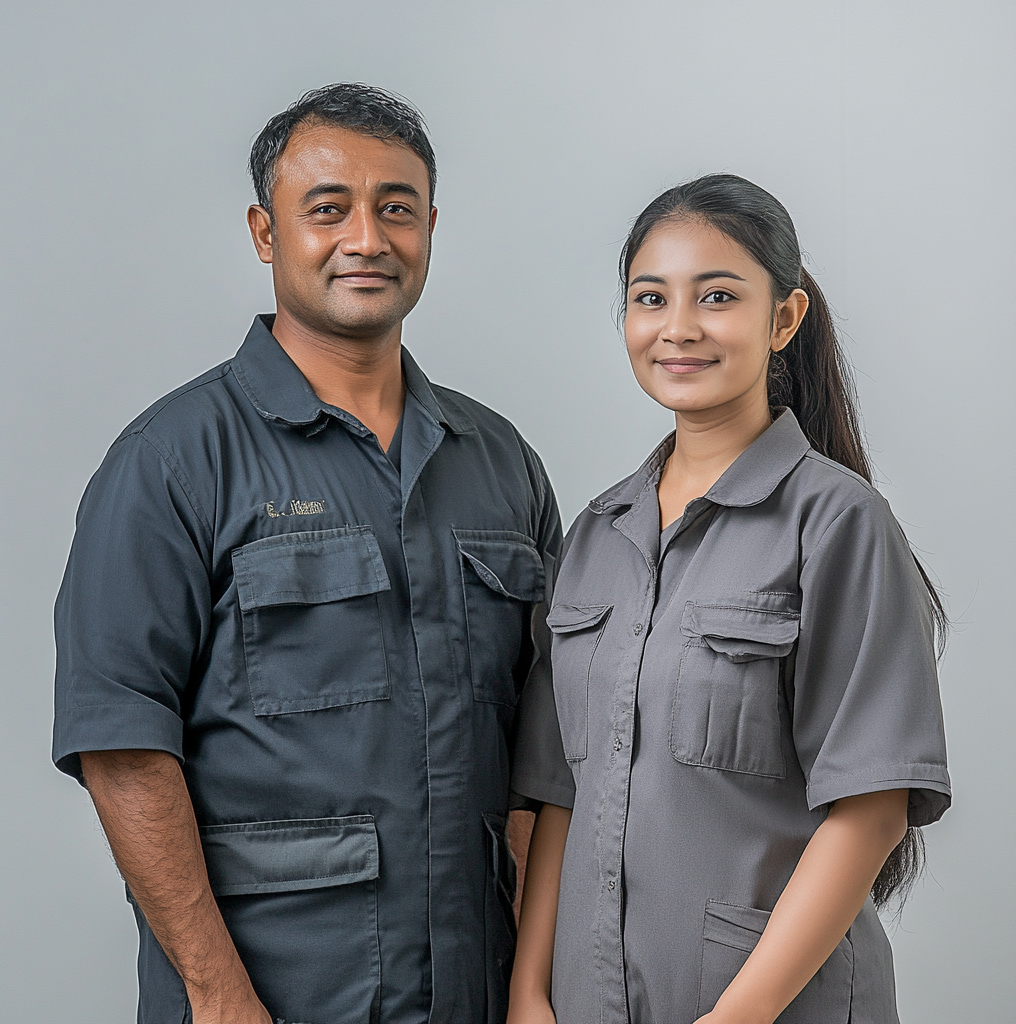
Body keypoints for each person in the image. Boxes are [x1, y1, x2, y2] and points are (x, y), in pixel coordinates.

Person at [53, 83, 561, 1024]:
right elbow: (122, 749)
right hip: (279, 994)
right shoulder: (172, 463)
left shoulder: (500, 465)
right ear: (264, 232)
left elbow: (545, 751)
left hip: (477, 991)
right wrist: (217, 996)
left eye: (396, 209)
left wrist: (537, 980)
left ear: (431, 230)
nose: (366, 238)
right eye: (327, 208)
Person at [507, 174, 950, 1024]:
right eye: (650, 298)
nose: (678, 328)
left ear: (783, 319)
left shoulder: (836, 523)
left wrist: (732, 1020)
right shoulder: (596, 537)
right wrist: (532, 993)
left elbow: (871, 811)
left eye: (717, 296)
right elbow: (560, 793)